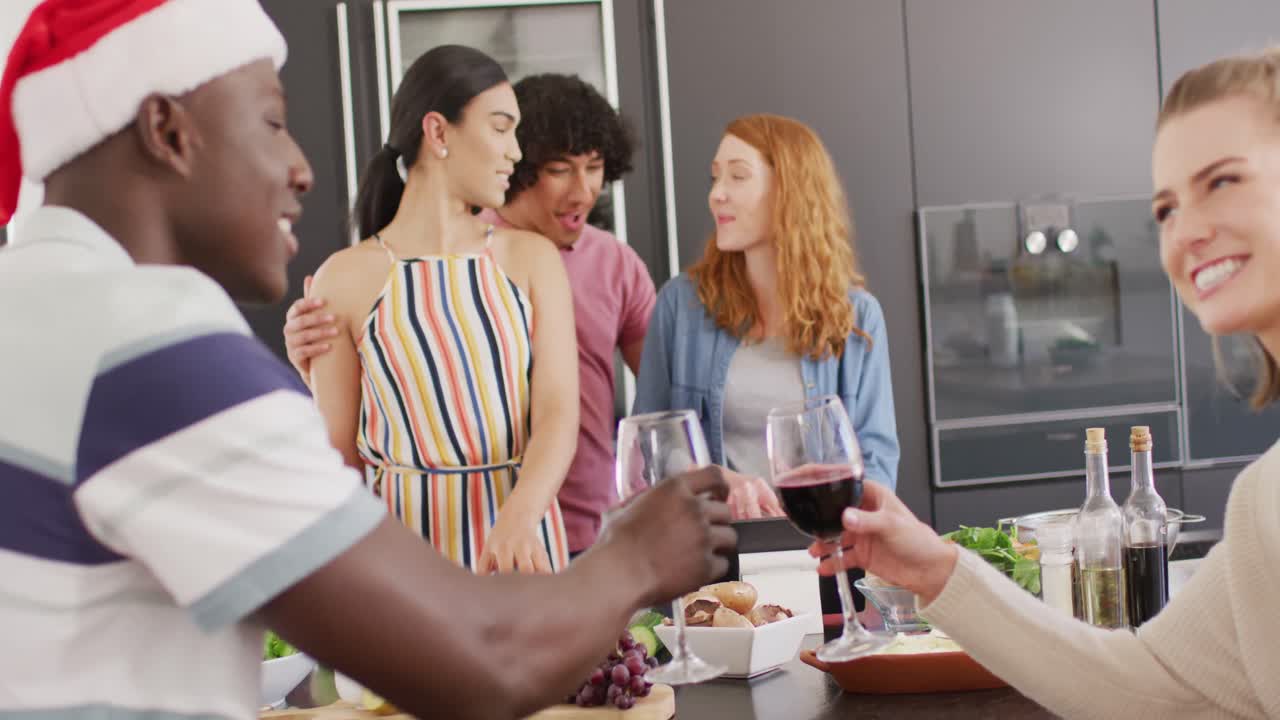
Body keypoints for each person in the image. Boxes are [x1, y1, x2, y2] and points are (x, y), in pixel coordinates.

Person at [0, 2, 735, 719]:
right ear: (166, 129)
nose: (301, 169)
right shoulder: (155, 350)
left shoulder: (35, 309)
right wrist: (637, 560)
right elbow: (479, 665)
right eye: (273, 121)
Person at [813, 48, 1280, 720]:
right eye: (1166, 209)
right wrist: (935, 571)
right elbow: (1142, 683)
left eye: (1223, 181)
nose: (1188, 231)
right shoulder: (1262, 501)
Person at [285, 73, 655, 556]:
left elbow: (660, 392)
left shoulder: (613, 262)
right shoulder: (430, 261)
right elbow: (365, 425)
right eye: (561, 169)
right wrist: (314, 365)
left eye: (595, 168)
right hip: (440, 538)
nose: (584, 191)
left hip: (584, 531)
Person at [306, 47, 580, 574]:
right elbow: (338, 462)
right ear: (438, 133)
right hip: (402, 570)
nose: (516, 152)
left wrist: (521, 516)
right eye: (501, 128)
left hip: (520, 549)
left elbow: (558, 414)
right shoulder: (343, 279)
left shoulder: (531, 259)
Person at [632, 113, 900, 519]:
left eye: (738, 177)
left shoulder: (857, 316)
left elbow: (876, 462)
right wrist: (717, 480)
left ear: (789, 191)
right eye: (715, 177)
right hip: (712, 554)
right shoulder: (680, 306)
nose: (716, 194)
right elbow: (647, 449)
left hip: (819, 546)